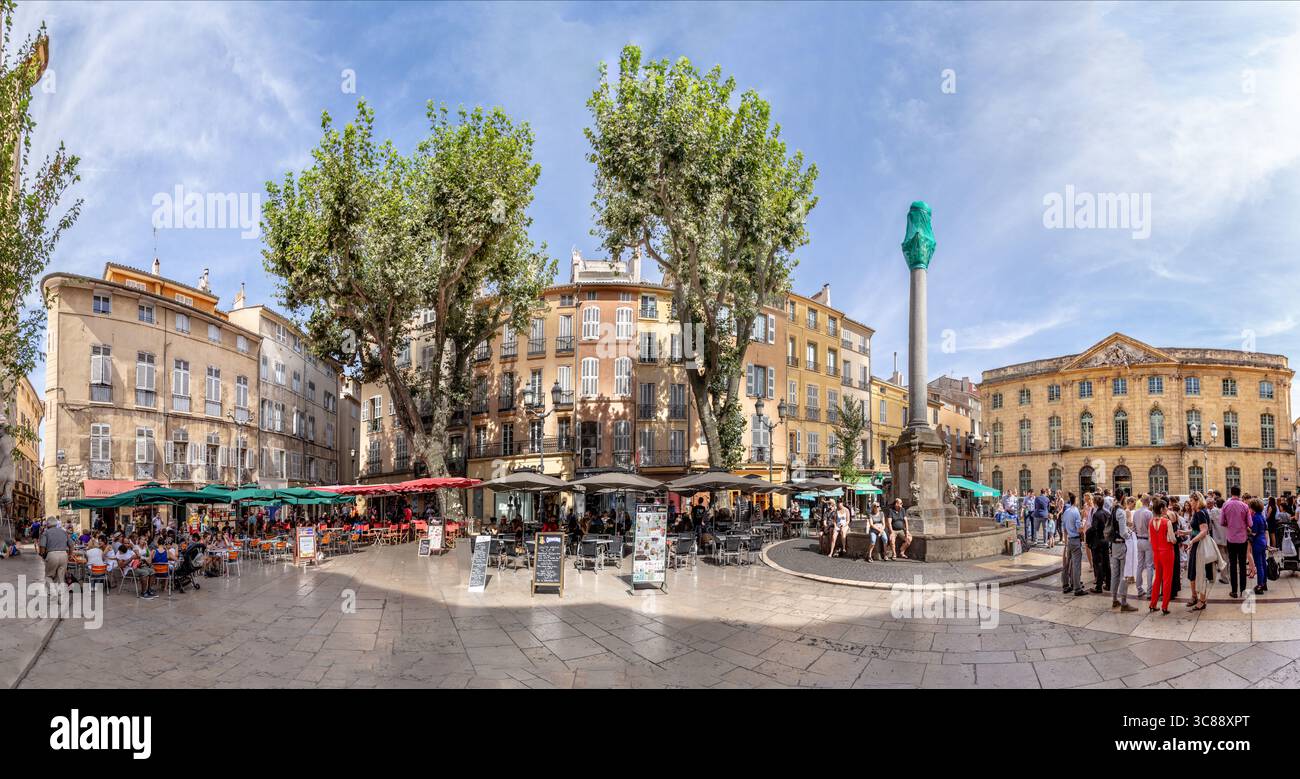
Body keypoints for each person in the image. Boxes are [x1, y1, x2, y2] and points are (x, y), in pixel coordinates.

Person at [1183, 492, 1214, 611]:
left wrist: (1192, 541)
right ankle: (1195, 596)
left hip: (1199, 545)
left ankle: (1202, 600)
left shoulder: (1200, 512)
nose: (1189, 503)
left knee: (1199, 572)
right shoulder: (1198, 512)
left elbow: (1204, 531)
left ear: (1197, 501)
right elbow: (1196, 530)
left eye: (1191, 501)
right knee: (1193, 571)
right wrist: (1185, 533)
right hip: (1196, 544)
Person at [1220, 485, 1251, 598]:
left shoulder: (1225, 505)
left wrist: (1230, 524)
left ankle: (1234, 591)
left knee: (1233, 565)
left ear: (1230, 492)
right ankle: (1243, 590)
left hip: (1231, 539)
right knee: (1242, 565)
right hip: (1242, 538)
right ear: (1239, 493)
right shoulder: (1244, 506)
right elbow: (1250, 523)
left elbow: (1221, 522)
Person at [1106, 494, 1135, 611]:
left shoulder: (1113, 509)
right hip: (1121, 545)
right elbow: (1123, 532)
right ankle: (1123, 602)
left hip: (1114, 544)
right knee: (1124, 574)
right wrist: (1130, 535)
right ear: (1123, 497)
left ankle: (1114, 600)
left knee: (1115, 574)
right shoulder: (1120, 511)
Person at [1148, 497, 1175, 614]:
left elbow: (1150, 539)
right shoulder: (1166, 522)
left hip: (1156, 552)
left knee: (1157, 578)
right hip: (1167, 551)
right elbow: (1172, 539)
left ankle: (1153, 604)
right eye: (1165, 508)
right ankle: (1164, 606)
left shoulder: (1150, 522)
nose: (1167, 509)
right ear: (1162, 509)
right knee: (1167, 579)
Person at [1087, 495, 1112, 593]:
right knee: (1106, 563)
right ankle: (1109, 584)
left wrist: (1087, 535)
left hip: (1098, 541)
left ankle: (1099, 586)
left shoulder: (1097, 514)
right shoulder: (1107, 513)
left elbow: (1093, 528)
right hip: (1106, 540)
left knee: (1099, 564)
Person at [1062, 493, 1084, 595]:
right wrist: (1083, 527)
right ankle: (1077, 588)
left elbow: (1064, 528)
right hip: (1075, 540)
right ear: (1075, 500)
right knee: (1076, 565)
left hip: (1069, 540)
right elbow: (1079, 529)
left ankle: (1066, 585)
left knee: (1066, 564)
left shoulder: (1066, 511)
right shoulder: (1076, 512)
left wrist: (1066, 541)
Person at [38, 518, 71, 587]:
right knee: (60, 577)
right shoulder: (63, 531)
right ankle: (59, 592)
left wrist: (42, 555)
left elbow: (42, 547)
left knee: (49, 576)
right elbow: (71, 544)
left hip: (52, 555)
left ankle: (52, 592)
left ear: (47, 525)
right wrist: (70, 554)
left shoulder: (46, 533)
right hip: (64, 555)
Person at [1131, 495, 1153, 598]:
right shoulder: (1149, 513)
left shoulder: (1136, 512)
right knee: (1149, 566)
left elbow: (1133, 528)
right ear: (1148, 502)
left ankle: (1139, 589)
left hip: (1139, 539)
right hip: (1147, 540)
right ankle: (1149, 591)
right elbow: (1151, 529)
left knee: (1140, 565)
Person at [1249, 497, 1270, 594]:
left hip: (1257, 542)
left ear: (1253, 508)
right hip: (1263, 541)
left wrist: (1248, 530)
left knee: (1259, 564)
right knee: (1263, 563)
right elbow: (1265, 529)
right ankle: (1264, 583)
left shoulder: (1255, 517)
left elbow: (1254, 533)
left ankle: (1259, 585)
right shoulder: (1262, 516)